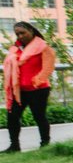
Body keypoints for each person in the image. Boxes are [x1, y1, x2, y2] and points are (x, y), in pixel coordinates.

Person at [3, 21, 56, 152]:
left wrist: (37, 80)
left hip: (38, 89)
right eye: (17, 34)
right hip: (19, 90)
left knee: (39, 116)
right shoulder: (15, 49)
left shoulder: (43, 47)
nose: (20, 36)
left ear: (31, 31)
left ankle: (45, 144)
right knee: (12, 117)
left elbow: (48, 67)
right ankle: (14, 146)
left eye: (23, 33)